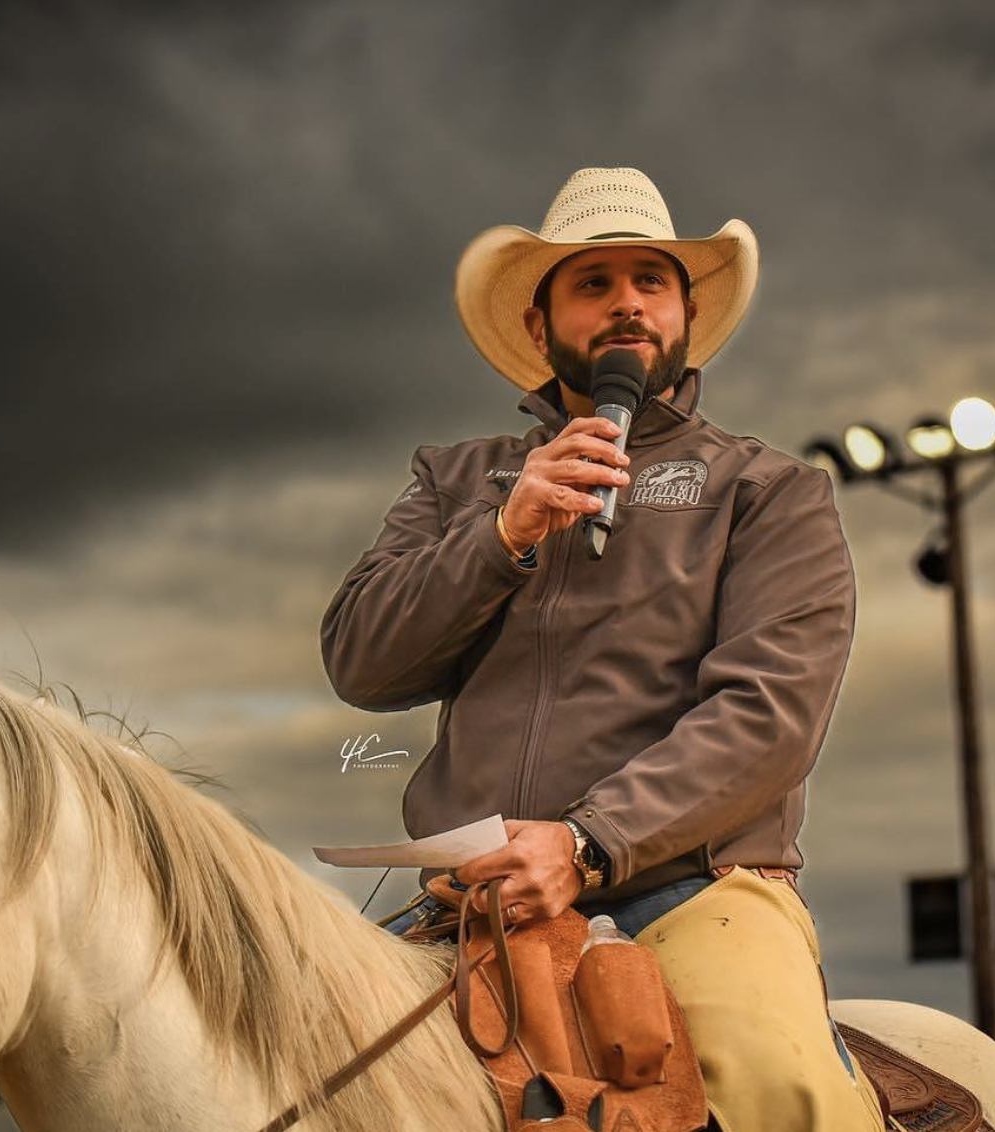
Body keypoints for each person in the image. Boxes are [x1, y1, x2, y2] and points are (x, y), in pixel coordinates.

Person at [320, 167, 884, 1131]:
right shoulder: (455, 481)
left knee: (778, 1083)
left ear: (686, 316)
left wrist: (586, 844)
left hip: (694, 890)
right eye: (591, 283)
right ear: (541, 328)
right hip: (472, 903)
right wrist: (503, 531)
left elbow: (769, 715)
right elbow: (362, 662)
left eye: (649, 281)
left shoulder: (770, 490)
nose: (625, 302)